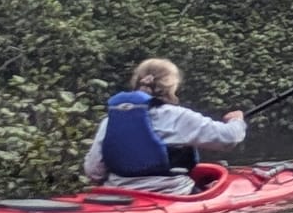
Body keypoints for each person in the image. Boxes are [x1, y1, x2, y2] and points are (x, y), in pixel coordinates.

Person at [83, 58, 247, 196]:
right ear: (171, 86)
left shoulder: (110, 121)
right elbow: (228, 138)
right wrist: (237, 121)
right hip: (173, 194)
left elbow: (93, 170)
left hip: (119, 197)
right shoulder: (177, 117)